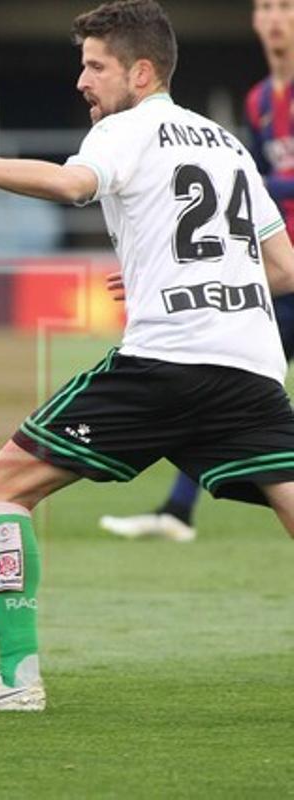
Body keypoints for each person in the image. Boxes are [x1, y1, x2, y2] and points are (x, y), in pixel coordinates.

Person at [0, 0, 294, 711]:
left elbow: (72, 185)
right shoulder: (226, 141)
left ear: (140, 72)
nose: (82, 81)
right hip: (253, 362)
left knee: (0, 489)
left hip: (169, 359)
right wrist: (183, 273)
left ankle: (14, 681)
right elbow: (284, 267)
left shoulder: (125, 129)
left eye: (94, 66)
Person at [98, 0, 294, 543]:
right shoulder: (259, 100)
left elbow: (249, 181)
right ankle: (178, 509)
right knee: (223, 385)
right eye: (265, 8)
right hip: (267, 270)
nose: (274, 18)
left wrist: (256, 180)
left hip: (277, 265)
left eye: (285, 7)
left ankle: (178, 509)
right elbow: (244, 185)